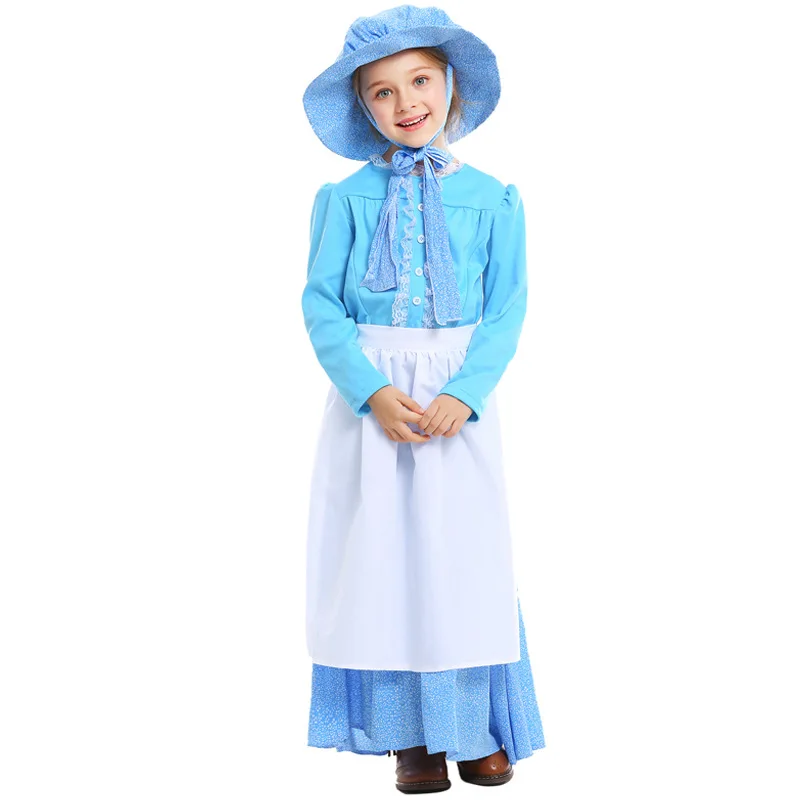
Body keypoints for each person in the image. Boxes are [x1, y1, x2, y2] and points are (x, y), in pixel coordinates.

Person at [300, 5, 546, 793]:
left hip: (454, 407)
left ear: (450, 86)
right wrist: (370, 390)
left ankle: (470, 729)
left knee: (461, 561)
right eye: (382, 91)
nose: (405, 102)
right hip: (373, 408)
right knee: (380, 563)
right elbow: (321, 305)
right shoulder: (343, 199)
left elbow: (507, 308)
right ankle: (407, 739)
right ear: (362, 107)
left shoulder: (495, 199)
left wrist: (465, 394)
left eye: (419, 81)